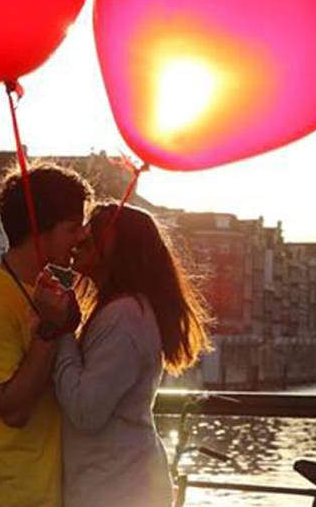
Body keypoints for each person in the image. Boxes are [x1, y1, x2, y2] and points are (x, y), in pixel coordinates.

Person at [0, 162, 93, 507]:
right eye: (72, 228)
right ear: (38, 230)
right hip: (2, 495)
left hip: (44, 492)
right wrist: (49, 329)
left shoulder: (47, 291)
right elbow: (13, 410)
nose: (82, 237)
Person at [53, 203, 213, 507]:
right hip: (118, 481)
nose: (81, 240)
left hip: (115, 487)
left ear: (117, 248)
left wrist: (61, 332)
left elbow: (86, 412)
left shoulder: (124, 317)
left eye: (93, 231)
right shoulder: (127, 311)